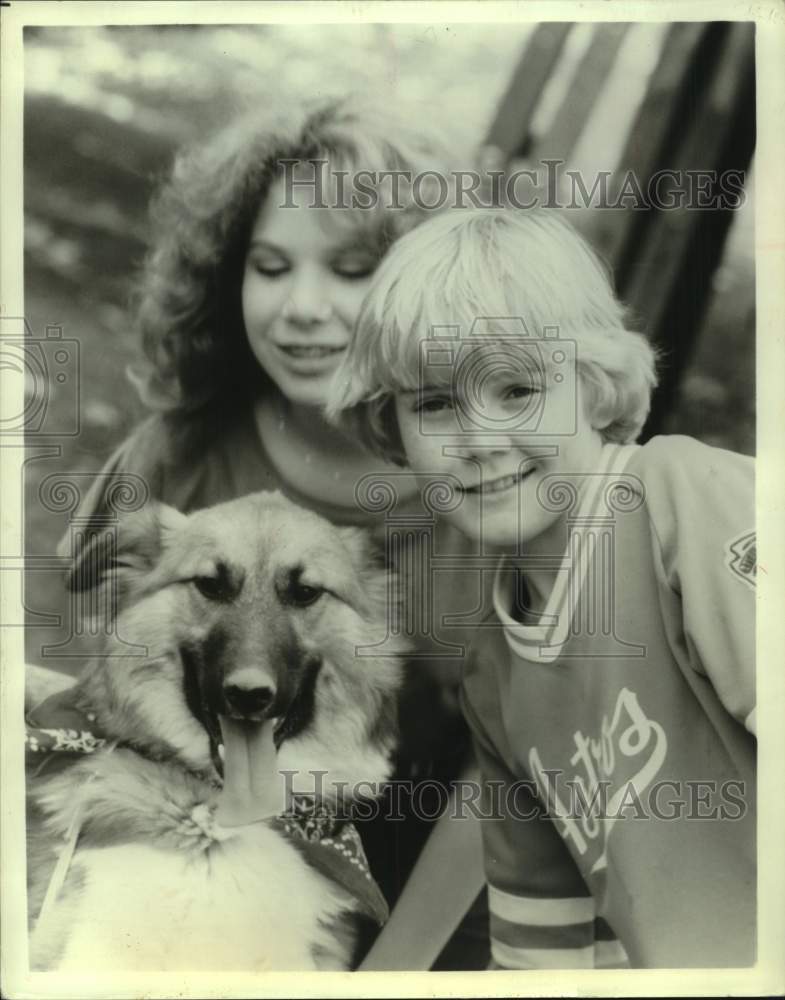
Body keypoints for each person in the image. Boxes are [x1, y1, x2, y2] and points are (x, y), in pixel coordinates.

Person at [27, 96, 489, 968]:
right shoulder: (182, 451)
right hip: (180, 881)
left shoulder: (489, 492)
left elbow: (506, 779)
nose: (300, 308)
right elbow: (114, 683)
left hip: (424, 918)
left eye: (350, 270)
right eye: (270, 266)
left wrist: (388, 977)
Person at [328, 206, 756, 968]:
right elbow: (539, 959)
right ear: (389, 429)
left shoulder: (685, 501)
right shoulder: (495, 676)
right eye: (433, 403)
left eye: (517, 390)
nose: (480, 439)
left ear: (594, 386)